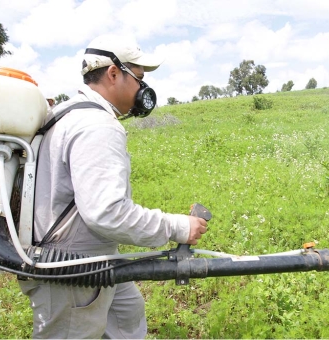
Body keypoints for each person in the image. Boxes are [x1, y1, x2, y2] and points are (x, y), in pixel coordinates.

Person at [17, 34, 208, 339]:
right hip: (70, 265)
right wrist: (178, 227)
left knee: (126, 314)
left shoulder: (68, 113)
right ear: (114, 73)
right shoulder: (97, 126)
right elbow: (107, 213)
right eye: (139, 78)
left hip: (92, 254)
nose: (142, 88)